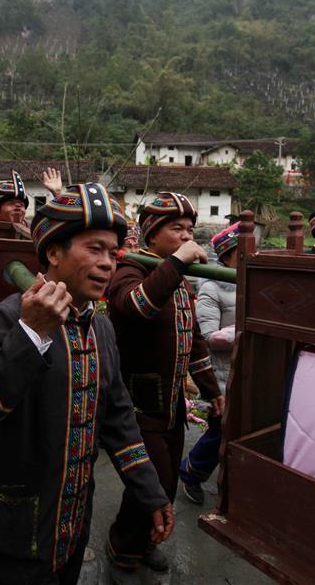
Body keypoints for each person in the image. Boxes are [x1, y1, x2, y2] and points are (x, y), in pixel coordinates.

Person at [0, 183, 173, 585]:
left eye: (113, 251)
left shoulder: (101, 328)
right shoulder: (6, 319)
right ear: (53, 253)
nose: (108, 263)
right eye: (94, 249)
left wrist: (150, 492)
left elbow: (119, 419)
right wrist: (31, 334)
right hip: (15, 532)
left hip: (73, 525)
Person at [105, 191, 223, 578]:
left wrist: (212, 392)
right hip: (135, 405)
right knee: (151, 482)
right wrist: (177, 262)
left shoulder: (183, 286)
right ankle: (122, 546)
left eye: (190, 230)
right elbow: (136, 306)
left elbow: (196, 343)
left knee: (166, 482)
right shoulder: (129, 271)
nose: (187, 237)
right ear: (152, 235)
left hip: (170, 406)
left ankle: (141, 543)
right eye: (177, 230)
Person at [178, 223, 239, 504]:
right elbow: (207, 336)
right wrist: (244, 331)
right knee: (219, 431)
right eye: (243, 252)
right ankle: (191, 472)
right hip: (222, 373)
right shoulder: (211, 288)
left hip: (247, 370)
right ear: (227, 255)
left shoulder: (252, 282)